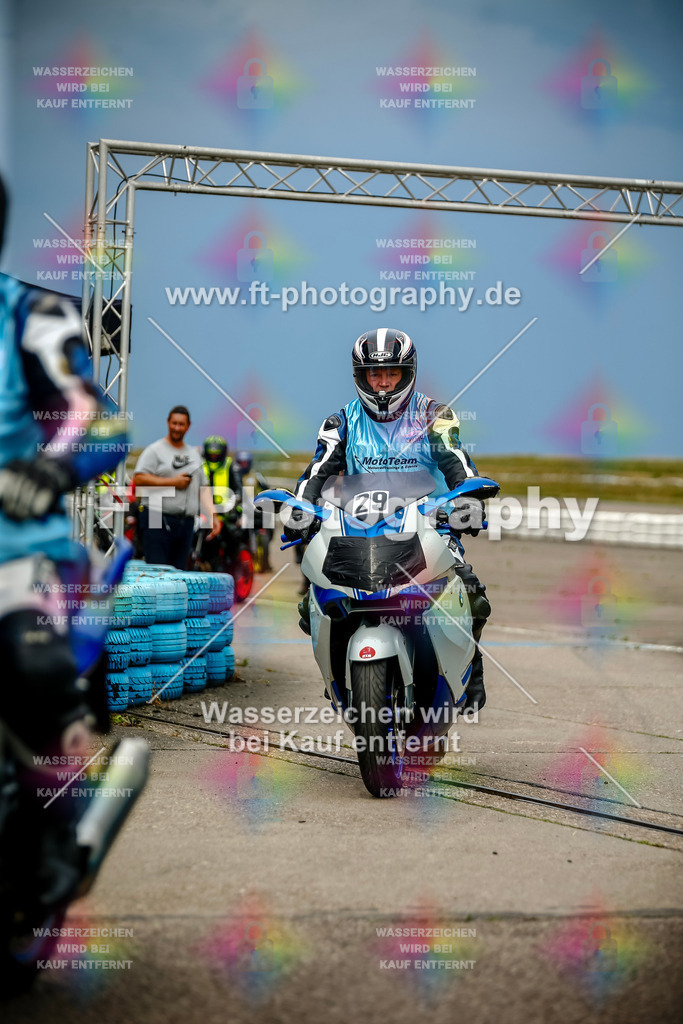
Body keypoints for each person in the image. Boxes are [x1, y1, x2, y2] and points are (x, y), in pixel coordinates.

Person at [0, 173, 133, 903]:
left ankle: (52, 839)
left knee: (30, 663)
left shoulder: (32, 314)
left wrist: (51, 467)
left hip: (18, 551)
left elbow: (93, 414)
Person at [286, 327, 490, 712]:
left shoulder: (434, 416)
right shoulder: (340, 422)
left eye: (391, 373)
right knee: (310, 605)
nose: (382, 383)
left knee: (473, 596)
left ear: (407, 373)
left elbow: (458, 462)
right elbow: (316, 472)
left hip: (428, 528)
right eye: (374, 374)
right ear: (360, 376)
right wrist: (301, 509)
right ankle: (339, 672)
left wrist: (469, 499)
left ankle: (471, 668)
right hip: (357, 530)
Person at [132, 407, 220, 568]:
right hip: (155, 517)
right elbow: (139, 478)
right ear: (168, 422)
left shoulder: (194, 454)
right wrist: (173, 482)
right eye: (174, 423)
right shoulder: (154, 450)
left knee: (179, 572)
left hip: (185, 522)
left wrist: (213, 514)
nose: (177, 428)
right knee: (157, 570)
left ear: (188, 426)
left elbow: (204, 487)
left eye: (181, 424)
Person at [235, 449, 273, 572]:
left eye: (245, 463)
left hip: (254, 508)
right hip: (239, 508)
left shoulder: (256, 476)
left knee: (268, 524)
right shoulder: (234, 474)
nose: (243, 465)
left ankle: (265, 561)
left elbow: (266, 488)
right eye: (241, 463)